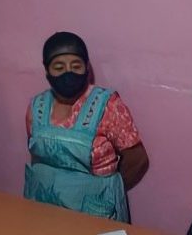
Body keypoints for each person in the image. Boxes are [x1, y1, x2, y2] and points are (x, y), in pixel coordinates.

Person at [24, 32, 149, 222]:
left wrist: (107, 193)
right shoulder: (37, 107)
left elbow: (137, 160)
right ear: (47, 71)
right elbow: (36, 155)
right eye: (59, 67)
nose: (68, 73)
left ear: (87, 68)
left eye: (76, 66)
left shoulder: (107, 105)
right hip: (43, 208)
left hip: (94, 213)